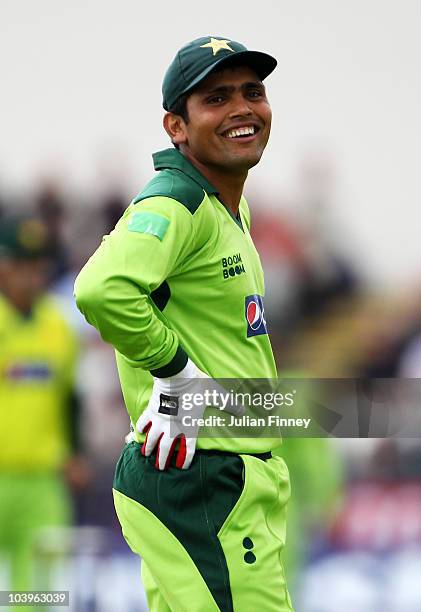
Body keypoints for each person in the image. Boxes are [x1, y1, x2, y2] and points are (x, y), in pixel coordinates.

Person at [75, 36, 293, 611]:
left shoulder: (228, 205)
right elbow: (101, 290)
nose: (244, 108)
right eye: (217, 99)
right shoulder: (176, 201)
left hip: (216, 475)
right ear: (177, 127)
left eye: (254, 92)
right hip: (203, 480)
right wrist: (174, 373)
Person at [0, 215, 84, 609]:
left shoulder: (58, 326)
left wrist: (77, 452)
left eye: (39, 269)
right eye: (23, 268)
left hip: (42, 482)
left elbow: (70, 396)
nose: (32, 278)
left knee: (38, 593)